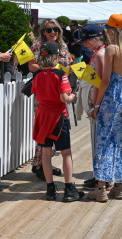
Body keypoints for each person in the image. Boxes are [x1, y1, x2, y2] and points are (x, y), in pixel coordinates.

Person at [87, 14, 122, 201]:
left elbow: (105, 80)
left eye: (108, 29)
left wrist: (96, 105)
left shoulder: (112, 49)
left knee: (106, 139)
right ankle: (119, 188)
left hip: (113, 95)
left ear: (113, 31)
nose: (107, 32)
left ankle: (101, 189)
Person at [31, 41, 83, 202]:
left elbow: (36, 94)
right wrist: (74, 96)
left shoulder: (37, 75)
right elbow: (64, 98)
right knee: (66, 153)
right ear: (56, 57)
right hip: (58, 117)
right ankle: (68, 189)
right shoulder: (61, 75)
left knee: (46, 154)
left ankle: (50, 190)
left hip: (42, 116)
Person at [29, 18, 74, 179]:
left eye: (55, 29)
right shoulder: (37, 46)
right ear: (43, 31)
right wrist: (48, 71)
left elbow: (68, 66)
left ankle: (41, 163)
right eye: (49, 30)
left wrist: (62, 72)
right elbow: (32, 65)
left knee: (56, 129)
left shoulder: (63, 46)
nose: (53, 32)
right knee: (45, 130)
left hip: (60, 91)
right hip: (45, 92)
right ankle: (40, 163)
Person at [72, 25, 110, 191]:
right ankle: (98, 176)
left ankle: (102, 178)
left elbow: (100, 82)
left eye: (86, 41)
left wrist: (96, 105)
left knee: (99, 141)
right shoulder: (98, 53)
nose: (84, 45)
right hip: (94, 103)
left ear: (95, 39)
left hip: (97, 105)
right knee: (95, 141)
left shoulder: (101, 54)